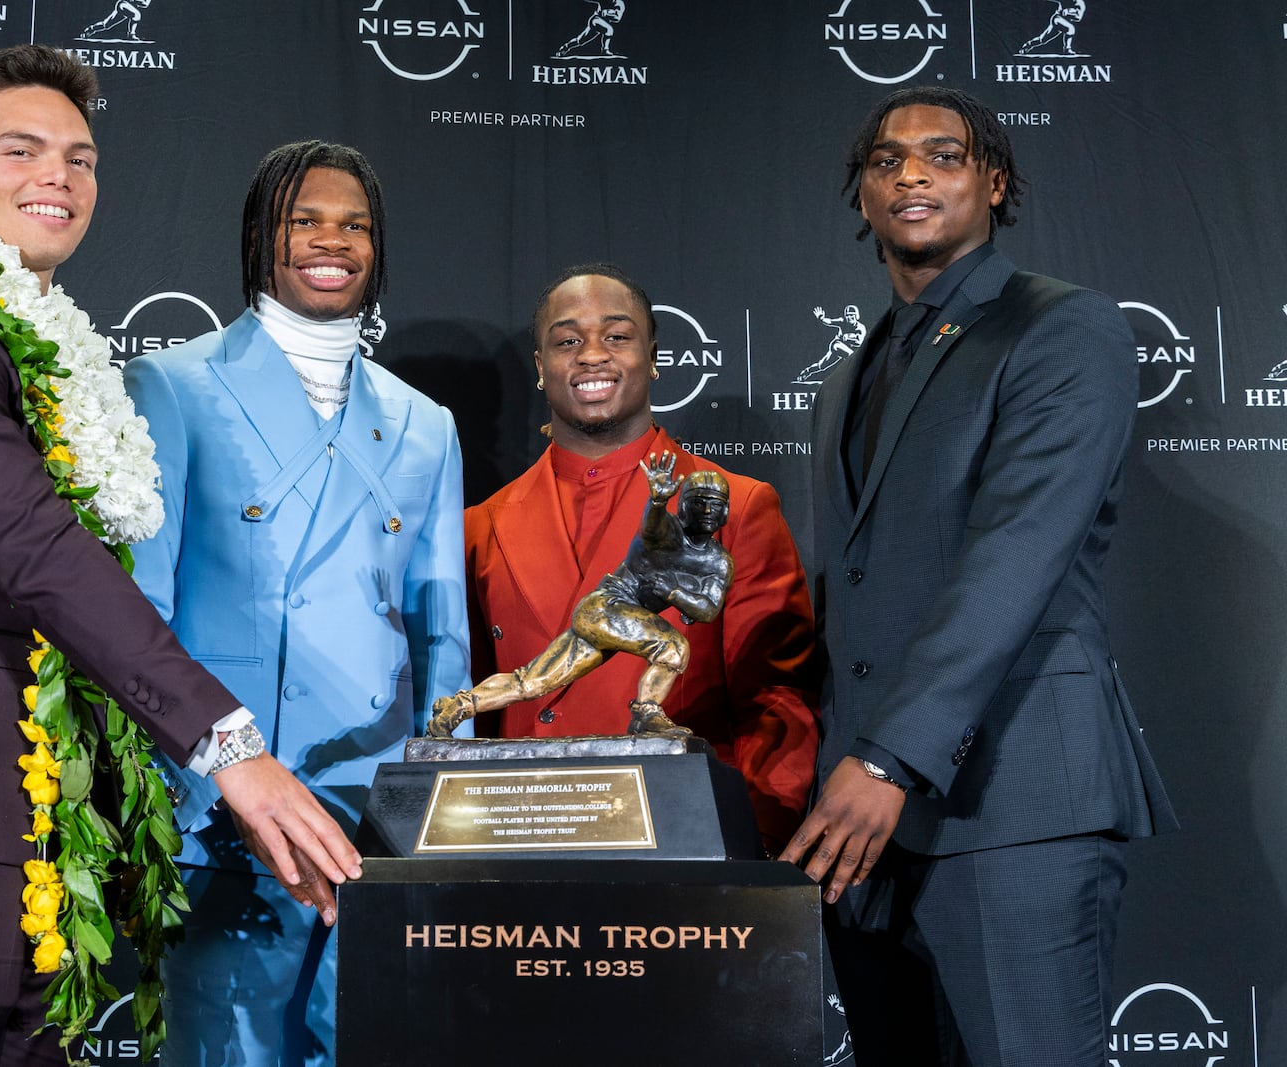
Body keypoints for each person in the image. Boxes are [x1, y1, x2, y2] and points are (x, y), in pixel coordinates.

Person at [0, 47, 360, 1067]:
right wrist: (231, 748)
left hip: (44, 821)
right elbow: (34, 549)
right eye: (23, 149)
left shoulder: (36, 345)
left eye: (80, 157)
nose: (59, 175)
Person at [778, 86, 1177, 1064]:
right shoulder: (847, 375)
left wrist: (885, 762)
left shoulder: (1061, 329)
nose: (910, 172)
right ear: (860, 197)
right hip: (863, 830)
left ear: (995, 183)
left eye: (943, 155)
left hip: (1011, 800)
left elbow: (1016, 556)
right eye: (885, 161)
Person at [123, 140, 470, 1066]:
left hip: (377, 818)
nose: (332, 240)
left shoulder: (426, 422)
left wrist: (438, 812)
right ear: (258, 236)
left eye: (354, 224)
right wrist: (181, 795)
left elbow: (444, 636)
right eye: (304, 219)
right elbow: (140, 615)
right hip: (224, 810)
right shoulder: (174, 384)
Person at [453, 264, 820, 851]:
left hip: (682, 842)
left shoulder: (738, 505)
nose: (592, 355)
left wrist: (754, 844)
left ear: (652, 359)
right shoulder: (478, 527)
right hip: (515, 840)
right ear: (541, 368)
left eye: (617, 336)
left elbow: (775, 699)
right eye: (567, 340)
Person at [429, 451, 733, 739]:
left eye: (715, 503)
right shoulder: (666, 531)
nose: (706, 510)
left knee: (532, 681)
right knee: (674, 647)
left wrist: (674, 592)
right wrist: (656, 501)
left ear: (726, 511)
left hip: (606, 620)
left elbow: (707, 609)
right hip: (606, 607)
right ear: (682, 506)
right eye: (698, 501)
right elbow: (653, 528)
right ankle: (646, 713)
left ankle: (457, 706)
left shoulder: (719, 562)